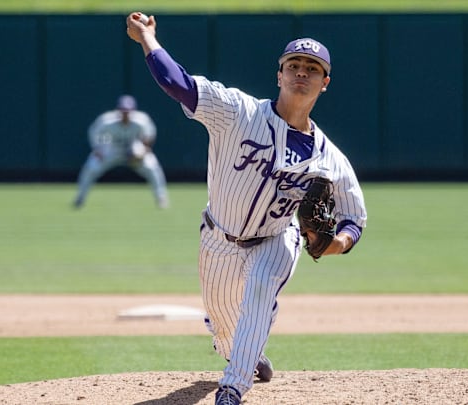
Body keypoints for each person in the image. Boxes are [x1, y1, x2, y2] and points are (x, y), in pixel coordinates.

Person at [127, 12, 367, 405]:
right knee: (225, 329)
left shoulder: (331, 159)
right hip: (218, 238)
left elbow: (353, 219)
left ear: (324, 83)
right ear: (280, 75)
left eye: (312, 68)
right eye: (294, 65)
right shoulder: (237, 112)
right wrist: (148, 40)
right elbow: (179, 85)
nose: (301, 73)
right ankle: (244, 354)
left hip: (276, 238)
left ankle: (232, 388)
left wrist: (331, 244)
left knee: (260, 289)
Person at [73, 95, 169, 209]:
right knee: (91, 166)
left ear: (133, 111)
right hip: (112, 149)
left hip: (134, 149)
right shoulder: (107, 120)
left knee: (152, 166)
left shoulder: (141, 120)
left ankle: (161, 197)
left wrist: (144, 150)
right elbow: (94, 131)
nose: (125, 114)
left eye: (128, 111)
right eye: (123, 110)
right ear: (118, 110)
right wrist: (97, 149)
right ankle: (80, 198)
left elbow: (150, 134)